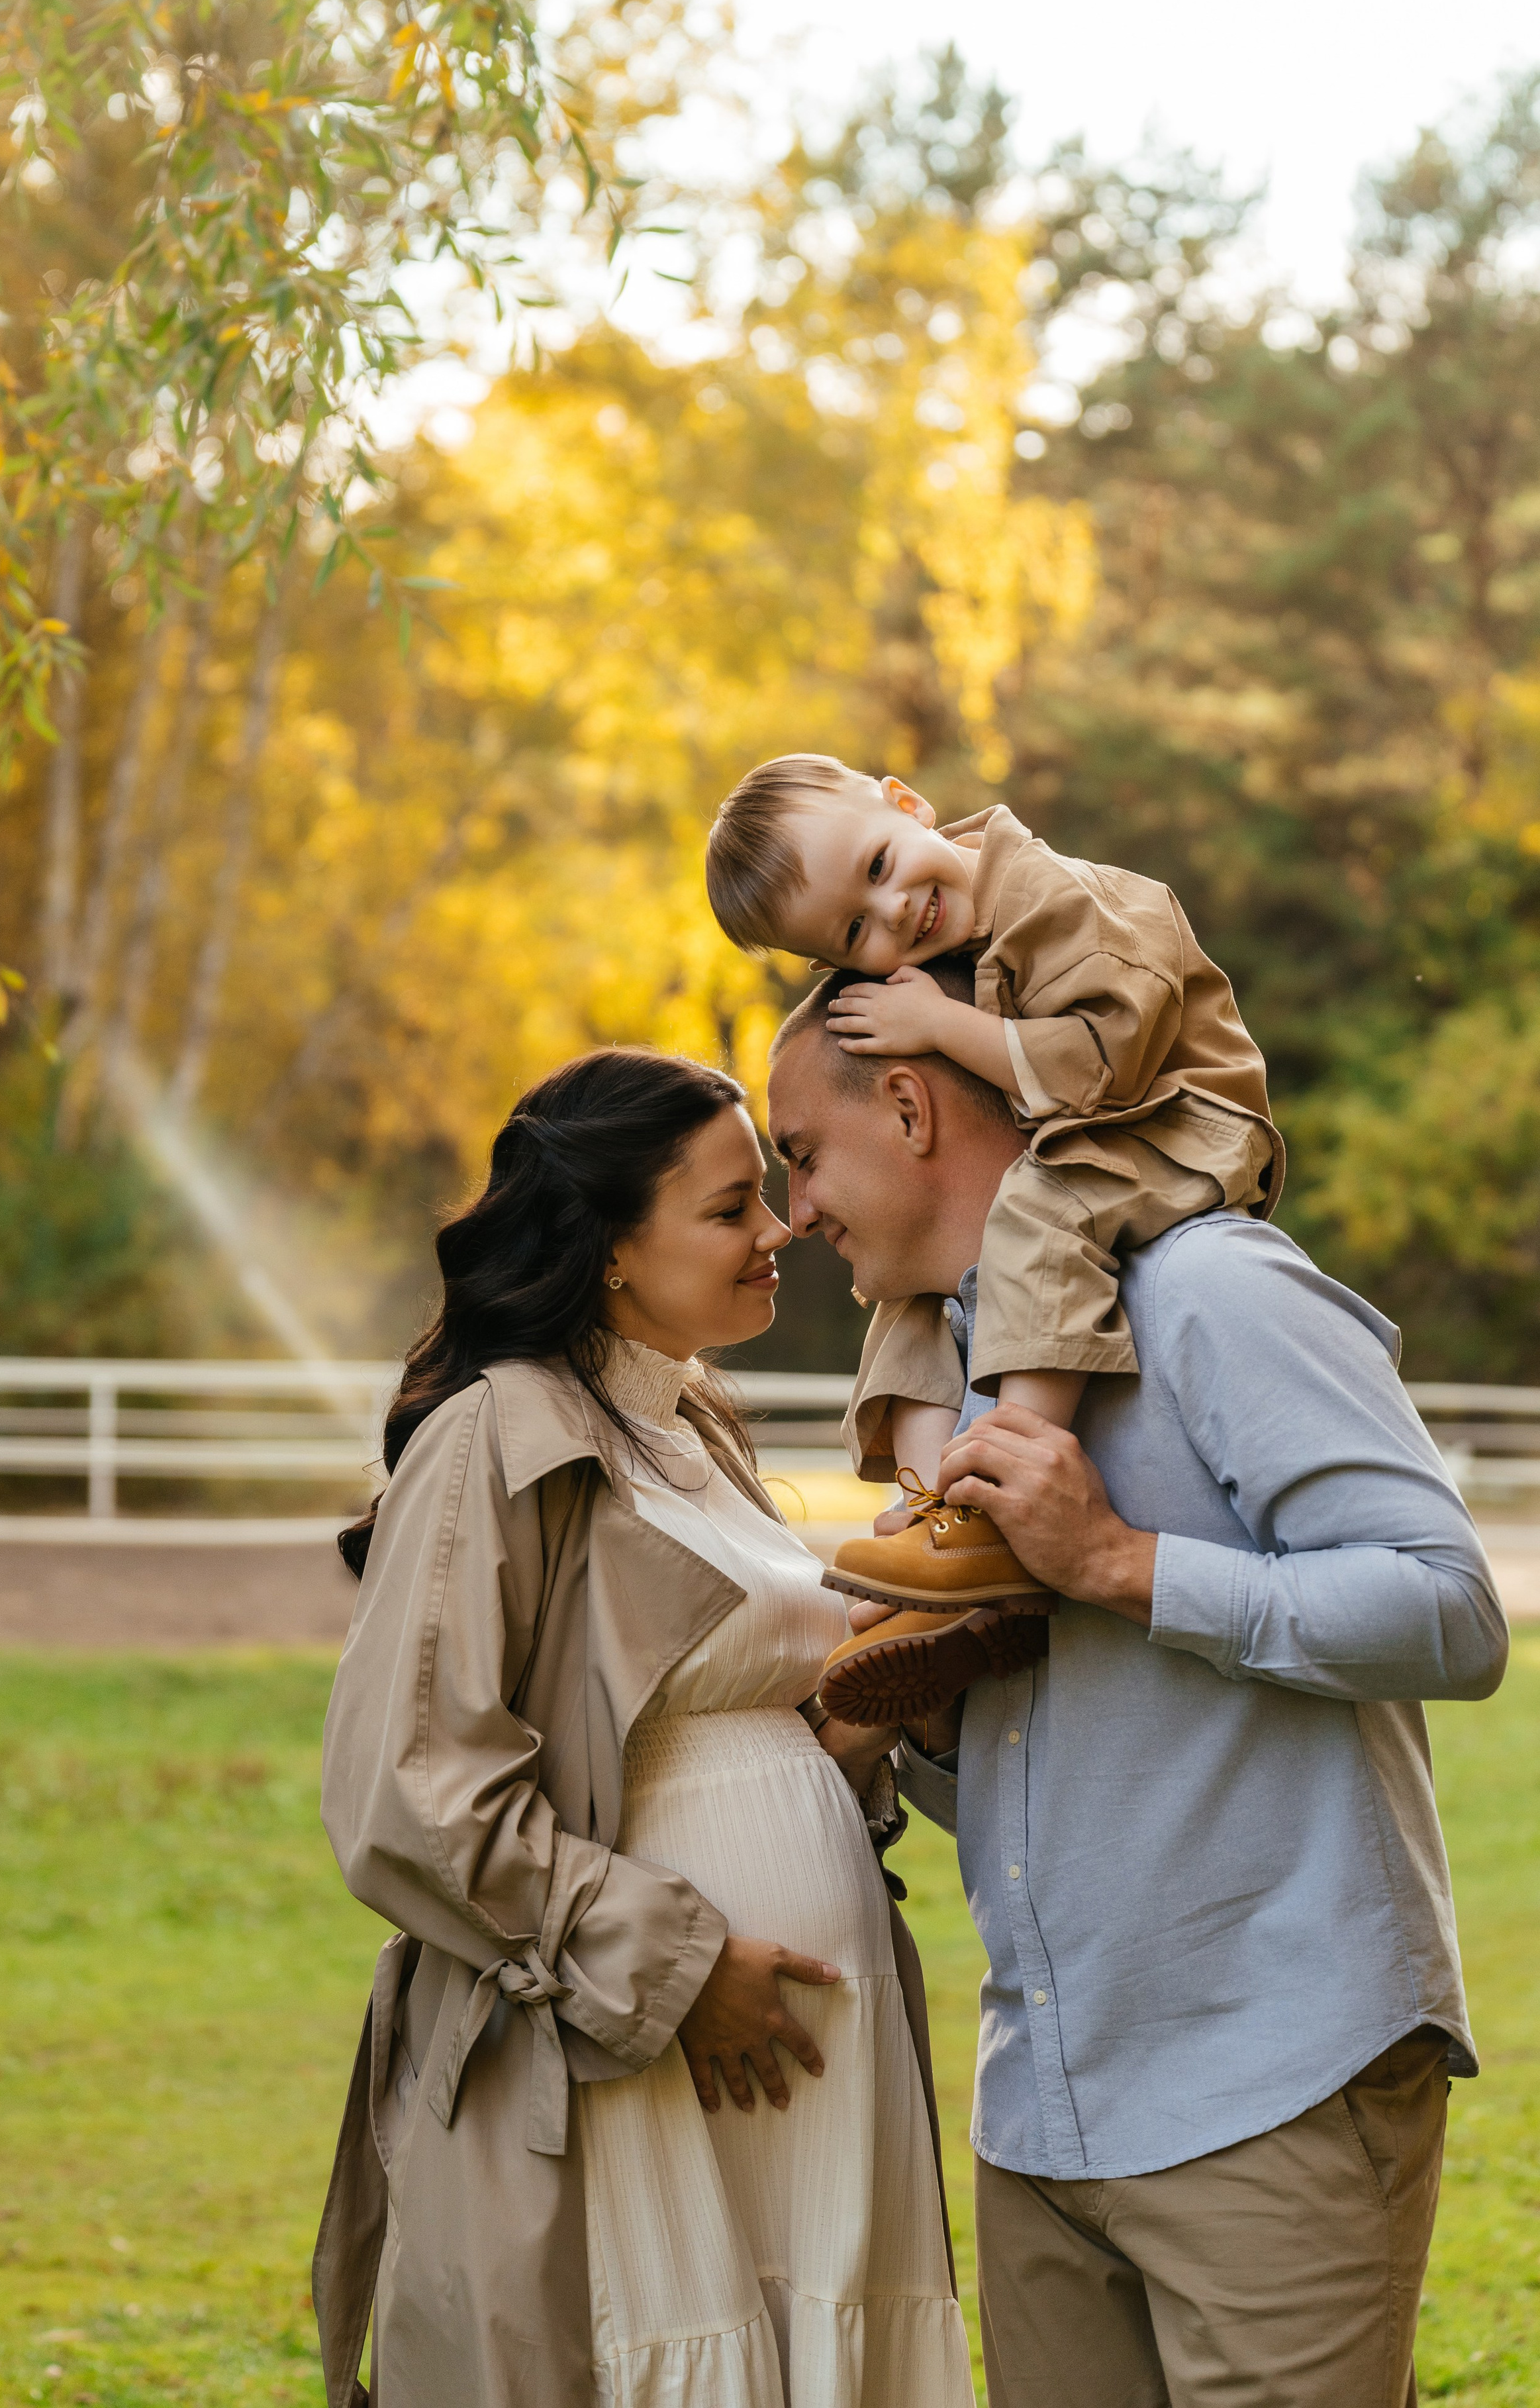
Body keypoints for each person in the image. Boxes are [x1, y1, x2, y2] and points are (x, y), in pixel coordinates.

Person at [765, 969, 1509, 2408]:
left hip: (1272, 2087)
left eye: (800, 1153)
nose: (795, 1211)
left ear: (909, 1104)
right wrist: (911, 1721)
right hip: (1043, 2111)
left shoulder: (1211, 1290)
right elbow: (1049, 1752)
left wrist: (1115, 1561)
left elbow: (1448, 1608)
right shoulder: (951, 1384)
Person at [313, 1049, 974, 2408]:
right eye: (730, 1208)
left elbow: (720, 1730)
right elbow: (410, 1788)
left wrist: (870, 1694)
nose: (776, 1229)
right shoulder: (495, 1436)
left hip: (804, 2064)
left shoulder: (687, 1425)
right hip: (633, 2049)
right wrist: (673, 1968)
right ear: (613, 1246)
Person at [705, 756, 1279, 1623]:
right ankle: (942, 1518)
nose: (896, 909)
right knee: (911, 1288)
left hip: (1177, 1119)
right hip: (1082, 1132)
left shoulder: (1067, 902)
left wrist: (940, 1023)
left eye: (879, 866)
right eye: (856, 931)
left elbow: (1101, 1070)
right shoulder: (940, 942)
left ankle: (1008, 1479)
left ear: (907, 803)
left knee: (1043, 1209)